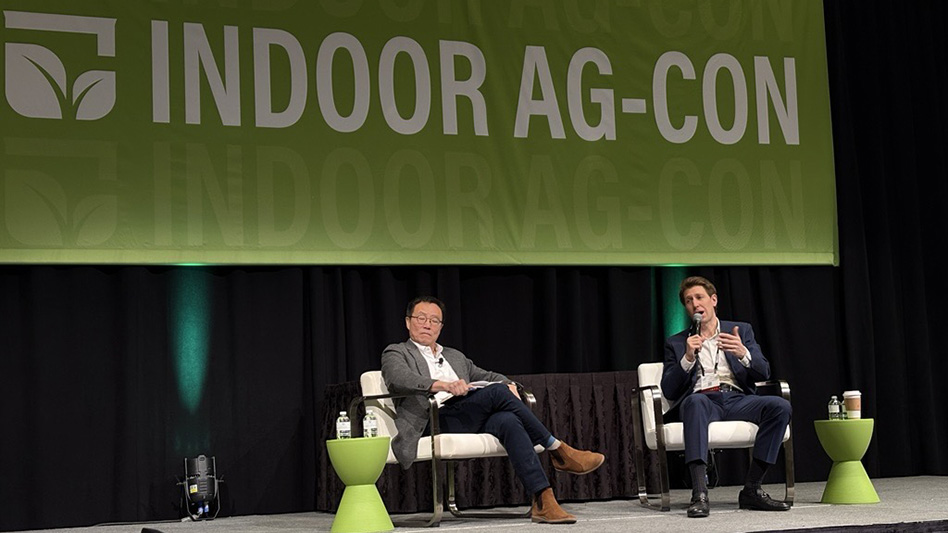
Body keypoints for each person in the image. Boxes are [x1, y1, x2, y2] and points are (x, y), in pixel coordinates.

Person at [381, 296, 605, 524]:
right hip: (430, 419)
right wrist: (443, 385)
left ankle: (543, 501)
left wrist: (510, 384)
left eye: (434, 320)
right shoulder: (396, 352)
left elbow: (487, 376)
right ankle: (558, 449)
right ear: (408, 322)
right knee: (497, 393)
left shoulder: (454, 356)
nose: (427, 324)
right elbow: (399, 378)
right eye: (421, 318)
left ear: (441, 327)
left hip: (464, 414)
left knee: (508, 420)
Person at [661, 276, 792, 518]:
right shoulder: (677, 342)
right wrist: (688, 358)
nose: (694, 304)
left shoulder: (741, 330)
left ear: (713, 300)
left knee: (779, 406)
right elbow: (668, 390)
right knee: (695, 402)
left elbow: (764, 371)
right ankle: (699, 493)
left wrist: (743, 353)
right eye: (688, 301)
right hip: (702, 401)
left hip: (737, 399)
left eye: (699, 297)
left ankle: (752, 488)